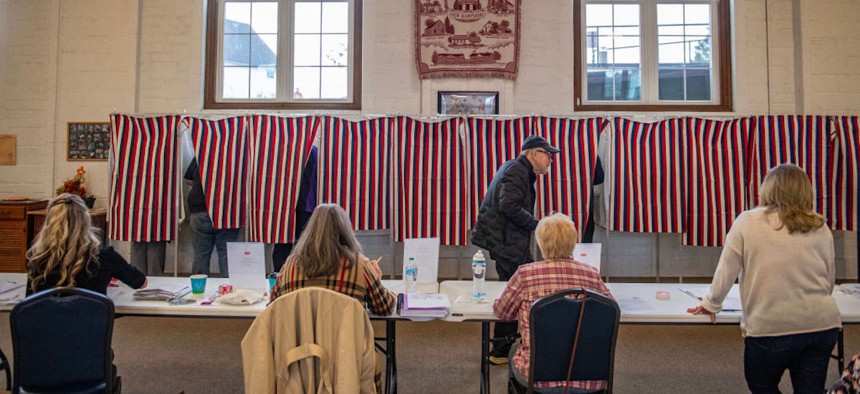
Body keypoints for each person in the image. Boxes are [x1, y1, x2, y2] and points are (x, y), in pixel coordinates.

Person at [688, 163, 841, 393]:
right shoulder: (819, 225)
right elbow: (828, 281)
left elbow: (726, 271)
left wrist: (711, 304)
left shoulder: (747, 221)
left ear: (767, 189)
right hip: (820, 325)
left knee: (762, 386)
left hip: (769, 328)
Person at [493, 213, 612, 391]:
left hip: (538, 374)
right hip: (590, 374)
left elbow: (503, 312)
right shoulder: (592, 275)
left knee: (513, 352)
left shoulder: (525, 274)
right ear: (573, 242)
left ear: (541, 244)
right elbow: (610, 312)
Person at [471, 134, 559, 364]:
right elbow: (508, 205)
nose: (550, 159)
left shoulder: (517, 169)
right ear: (532, 154)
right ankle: (500, 350)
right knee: (514, 293)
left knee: (514, 291)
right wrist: (538, 225)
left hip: (508, 240)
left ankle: (508, 346)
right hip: (507, 242)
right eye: (547, 154)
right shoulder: (517, 171)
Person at [270, 203, 395, 315]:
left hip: (299, 340)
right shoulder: (360, 265)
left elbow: (273, 305)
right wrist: (376, 280)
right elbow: (384, 309)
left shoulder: (290, 266)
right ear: (345, 231)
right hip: (347, 340)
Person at [27, 193, 148, 295]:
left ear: (49, 224)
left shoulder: (38, 258)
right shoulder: (104, 256)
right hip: (90, 321)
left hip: (46, 322)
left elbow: (30, 300)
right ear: (85, 222)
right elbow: (141, 282)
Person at [185, 158, 240, 277]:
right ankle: (228, 290)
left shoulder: (202, 153)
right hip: (227, 210)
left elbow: (188, 180)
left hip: (200, 209)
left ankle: (199, 291)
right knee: (227, 255)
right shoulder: (237, 154)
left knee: (201, 254)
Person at [272, 146, 318, 273]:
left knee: (282, 246)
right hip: (306, 205)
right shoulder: (312, 150)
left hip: (284, 205)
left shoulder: (282, 149)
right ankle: (303, 279)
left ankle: (280, 281)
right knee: (305, 247)